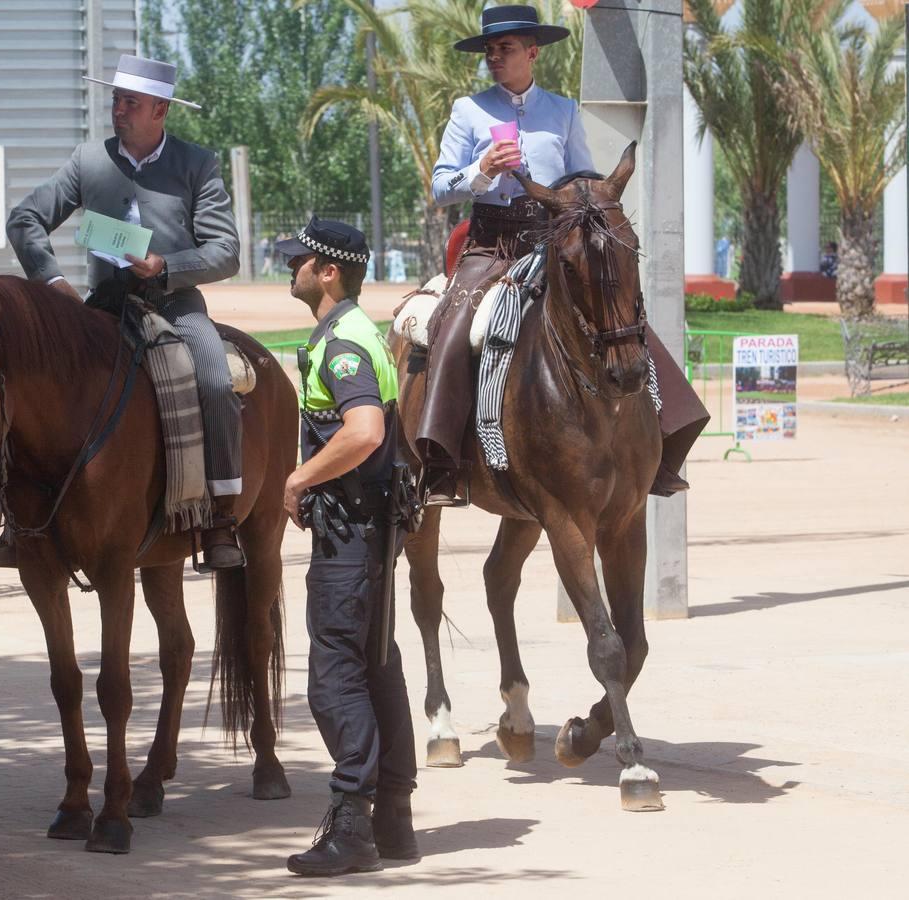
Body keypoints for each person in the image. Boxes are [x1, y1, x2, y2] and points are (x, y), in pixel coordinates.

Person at [419, 4, 707, 505]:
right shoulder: (469, 110)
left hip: (553, 239)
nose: (495, 57)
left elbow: (585, 181)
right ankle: (441, 464)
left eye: (505, 48)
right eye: (489, 49)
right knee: (455, 323)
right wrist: (482, 170)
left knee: (620, 314)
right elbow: (441, 186)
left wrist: (592, 211)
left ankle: (667, 443)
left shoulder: (564, 111)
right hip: (491, 245)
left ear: (532, 53)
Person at [6, 54, 243, 570]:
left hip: (177, 304)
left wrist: (165, 266)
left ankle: (221, 513)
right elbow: (25, 218)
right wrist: (52, 283)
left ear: (160, 110)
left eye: (130, 102)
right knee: (30, 382)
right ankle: (19, 516)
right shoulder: (88, 160)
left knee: (215, 378)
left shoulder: (197, 163)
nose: (118, 110)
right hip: (104, 309)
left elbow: (226, 250)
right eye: (115, 100)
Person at [277, 218, 418, 877]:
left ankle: (350, 827)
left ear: (326, 271)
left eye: (299, 260)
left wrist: (301, 476)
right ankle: (392, 819)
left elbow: (361, 431)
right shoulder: (358, 329)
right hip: (368, 530)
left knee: (335, 674)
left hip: (349, 536)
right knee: (375, 662)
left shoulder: (342, 342)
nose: (291, 268)